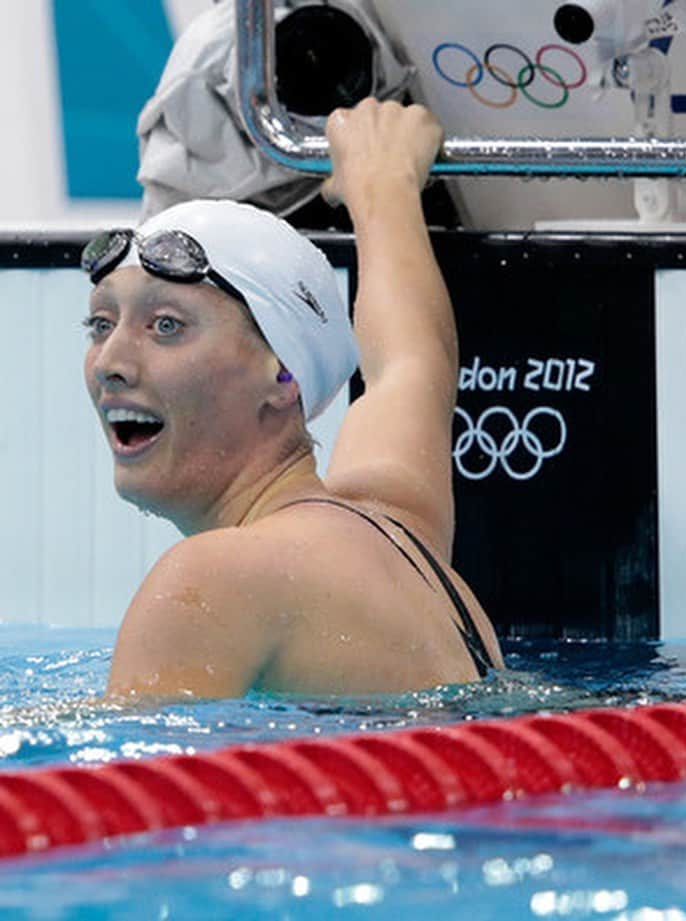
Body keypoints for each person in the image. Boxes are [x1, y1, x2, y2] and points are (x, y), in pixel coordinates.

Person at [82, 99, 504, 700]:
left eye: (166, 325)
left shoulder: (212, 581)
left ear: (284, 378)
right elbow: (407, 363)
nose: (111, 364)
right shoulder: (397, 526)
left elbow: (116, 785)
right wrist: (382, 183)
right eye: (99, 325)